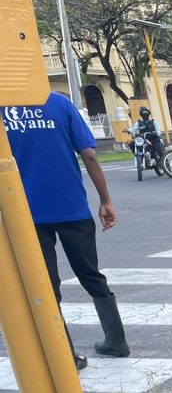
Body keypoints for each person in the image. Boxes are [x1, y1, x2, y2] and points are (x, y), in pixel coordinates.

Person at [3, 92, 130, 371]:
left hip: (26, 215)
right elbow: (90, 156)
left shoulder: (2, 111)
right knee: (91, 274)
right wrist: (106, 200)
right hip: (73, 208)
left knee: (46, 285)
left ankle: (65, 356)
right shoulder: (59, 104)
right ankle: (116, 341)